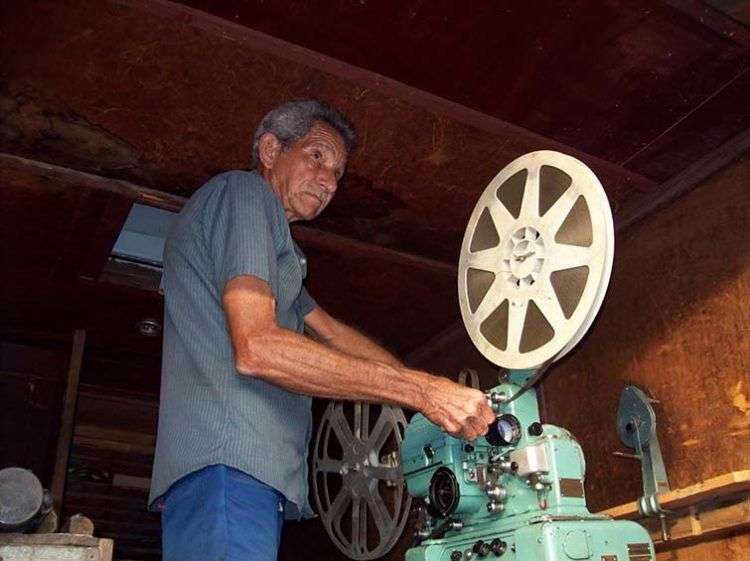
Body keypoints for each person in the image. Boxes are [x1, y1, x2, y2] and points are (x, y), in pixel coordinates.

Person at [149, 99, 495, 561]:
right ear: (270, 150)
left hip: (238, 477)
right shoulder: (245, 196)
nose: (330, 181)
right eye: (317, 157)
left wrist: (424, 409)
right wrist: (424, 392)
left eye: (338, 173)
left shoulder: (275, 250)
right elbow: (258, 348)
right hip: (227, 468)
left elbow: (329, 332)